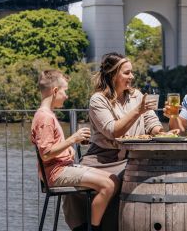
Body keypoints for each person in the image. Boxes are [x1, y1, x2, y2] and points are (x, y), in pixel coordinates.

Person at [63, 52, 164, 231]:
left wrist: (161, 132)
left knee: (141, 176)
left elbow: (151, 122)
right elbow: (112, 131)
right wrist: (137, 112)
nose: (131, 76)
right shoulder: (98, 100)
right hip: (101, 159)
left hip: (130, 158)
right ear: (112, 74)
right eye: (126, 73)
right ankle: (89, 227)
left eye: (131, 72)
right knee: (124, 179)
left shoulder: (137, 96)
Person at [31, 69, 118, 231]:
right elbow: (46, 154)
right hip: (55, 173)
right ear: (55, 91)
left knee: (113, 179)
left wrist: (68, 149)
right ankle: (93, 228)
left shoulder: (48, 114)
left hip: (61, 168)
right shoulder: (45, 118)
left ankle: (87, 225)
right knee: (108, 185)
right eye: (65, 91)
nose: (66, 95)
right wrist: (73, 139)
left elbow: (51, 148)